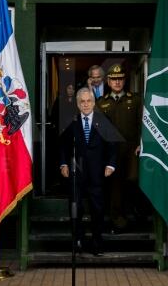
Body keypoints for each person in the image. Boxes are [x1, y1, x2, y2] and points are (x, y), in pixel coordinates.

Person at [59, 87, 119, 256]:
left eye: (89, 101)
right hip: (76, 171)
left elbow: (113, 145)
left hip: (97, 172)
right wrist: (63, 164)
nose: (86, 105)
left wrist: (111, 165)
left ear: (94, 102)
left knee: (97, 209)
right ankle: (78, 240)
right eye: (82, 102)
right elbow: (63, 145)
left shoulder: (103, 120)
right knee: (75, 207)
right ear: (78, 104)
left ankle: (97, 243)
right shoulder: (72, 121)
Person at [96, 63, 143, 233]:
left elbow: (142, 124)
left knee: (133, 180)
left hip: (132, 150)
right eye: (114, 79)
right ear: (108, 81)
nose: (117, 82)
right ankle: (118, 221)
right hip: (111, 152)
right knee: (115, 187)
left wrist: (141, 143)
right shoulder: (101, 103)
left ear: (125, 80)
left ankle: (137, 213)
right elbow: (98, 129)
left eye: (120, 79)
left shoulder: (136, 99)